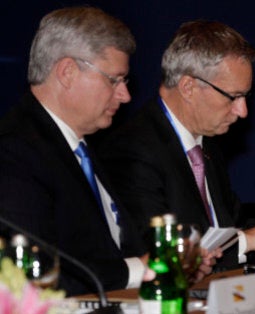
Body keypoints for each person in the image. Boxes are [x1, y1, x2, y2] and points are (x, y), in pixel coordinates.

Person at [98, 20, 255, 271]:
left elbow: (236, 224)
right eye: (233, 97)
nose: (242, 111)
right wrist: (246, 241)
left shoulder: (207, 147)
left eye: (245, 97)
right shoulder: (132, 148)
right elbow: (155, 250)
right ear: (188, 87)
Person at [0, 7, 149, 296]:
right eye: (114, 80)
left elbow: (113, 246)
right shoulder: (13, 151)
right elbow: (33, 275)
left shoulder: (79, 146)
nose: (125, 95)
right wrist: (139, 270)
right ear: (67, 72)